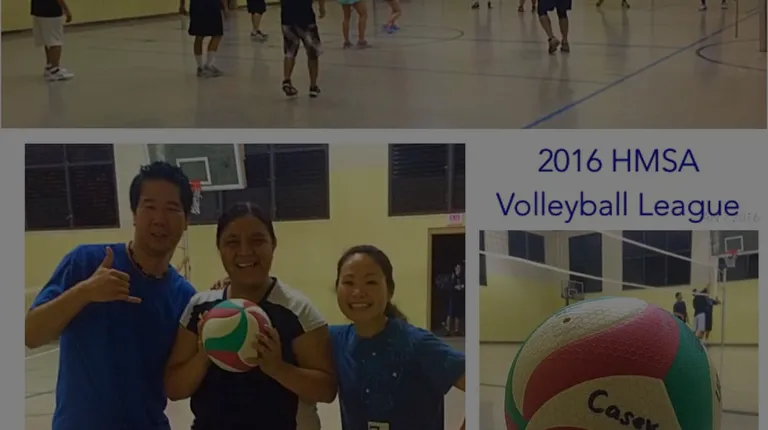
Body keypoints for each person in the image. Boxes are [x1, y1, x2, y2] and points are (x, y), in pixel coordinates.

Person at [24, 161, 197, 429]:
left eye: (172, 209)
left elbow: (175, 384)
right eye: (149, 206)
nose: (159, 219)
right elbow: (31, 334)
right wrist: (85, 292)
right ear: (134, 214)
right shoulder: (86, 261)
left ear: (186, 221)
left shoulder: (185, 298)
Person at [164, 202, 336, 430]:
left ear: (273, 244)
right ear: (219, 248)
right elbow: (174, 389)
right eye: (232, 242)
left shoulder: (298, 311)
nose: (245, 251)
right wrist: (205, 354)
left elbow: (326, 391)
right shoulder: (200, 308)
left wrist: (278, 368)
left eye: (257, 240)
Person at [331, 245, 466, 430]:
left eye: (370, 282)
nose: (358, 292)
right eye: (348, 282)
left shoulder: (417, 344)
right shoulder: (334, 339)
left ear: (390, 290)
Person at [280, 0, 326, 97]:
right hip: (306, 18)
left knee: (289, 52)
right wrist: (322, 8)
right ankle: (313, 86)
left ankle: (287, 80)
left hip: (287, 18)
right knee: (312, 54)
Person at [181, 0, 228, 77]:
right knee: (216, 34)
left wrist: (182, 5)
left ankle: (201, 67)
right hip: (211, 5)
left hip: (198, 6)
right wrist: (225, 7)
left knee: (200, 36)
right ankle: (207, 65)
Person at [31, 0, 74, 81]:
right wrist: (66, 10)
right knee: (55, 41)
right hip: (51, 12)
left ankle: (49, 66)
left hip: (38, 11)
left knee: (47, 40)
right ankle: (55, 70)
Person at [445, 262, 466, 336]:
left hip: (459, 298)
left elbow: (464, 285)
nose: (459, 269)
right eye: (457, 268)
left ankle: (457, 331)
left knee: (458, 314)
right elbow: (449, 286)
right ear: (455, 268)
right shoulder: (452, 276)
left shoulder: (462, 277)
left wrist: (462, 287)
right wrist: (455, 287)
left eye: (460, 268)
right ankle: (448, 330)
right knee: (450, 314)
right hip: (452, 297)